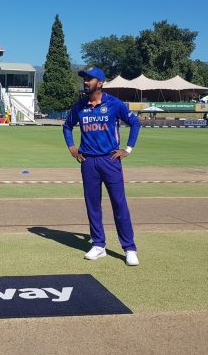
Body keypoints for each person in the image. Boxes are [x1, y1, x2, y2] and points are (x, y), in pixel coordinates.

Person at [63, 66, 141, 266]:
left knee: (119, 204)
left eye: (90, 79)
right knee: (93, 206)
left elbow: (135, 123)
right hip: (88, 161)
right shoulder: (79, 106)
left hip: (110, 160)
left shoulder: (114, 104)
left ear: (100, 82)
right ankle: (98, 245)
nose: (86, 82)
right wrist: (72, 148)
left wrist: (128, 149)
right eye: (85, 79)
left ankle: (129, 248)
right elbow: (67, 126)